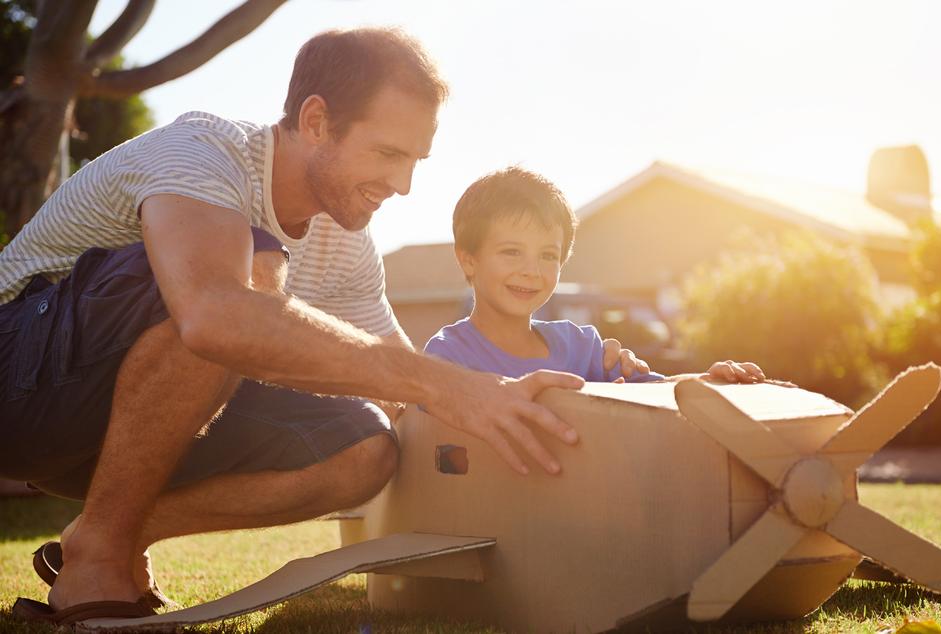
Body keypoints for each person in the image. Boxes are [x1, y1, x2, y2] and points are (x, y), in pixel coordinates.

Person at [0, 29, 642, 625]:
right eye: (389, 153)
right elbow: (214, 314)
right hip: (17, 389)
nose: (404, 184)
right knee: (236, 292)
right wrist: (445, 385)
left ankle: (108, 533)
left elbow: (402, 383)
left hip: (114, 432)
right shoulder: (204, 153)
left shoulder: (345, 243)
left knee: (365, 443)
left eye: (416, 159)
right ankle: (101, 565)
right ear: (315, 121)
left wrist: (510, 401)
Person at [424, 167, 766, 384]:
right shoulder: (448, 358)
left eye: (548, 255)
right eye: (511, 251)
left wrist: (707, 380)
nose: (531, 270)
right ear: (468, 260)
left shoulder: (582, 347)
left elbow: (659, 393)